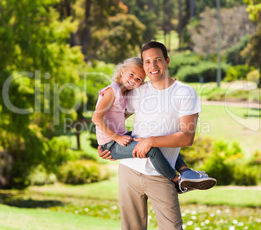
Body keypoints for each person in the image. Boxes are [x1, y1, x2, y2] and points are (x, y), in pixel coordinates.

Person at [98, 41, 206, 230]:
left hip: (160, 175)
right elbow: (111, 114)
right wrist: (110, 145)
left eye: (157, 60)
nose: (152, 66)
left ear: (167, 61)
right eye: (147, 62)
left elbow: (186, 137)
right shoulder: (138, 92)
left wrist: (152, 141)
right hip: (129, 172)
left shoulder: (184, 93)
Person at [93, 57, 216, 193]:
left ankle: (185, 171)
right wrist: (114, 139)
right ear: (122, 71)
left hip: (116, 139)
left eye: (139, 79)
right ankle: (178, 182)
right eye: (132, 75)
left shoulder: (123, 92)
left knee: (157, 136)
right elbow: (96, 118)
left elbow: (119, 115)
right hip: (112, 143)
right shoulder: (111, 91)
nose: (134, 80)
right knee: (151, 149)